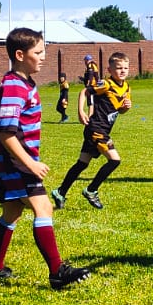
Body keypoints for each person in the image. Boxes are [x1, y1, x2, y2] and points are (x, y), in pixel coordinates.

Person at [0, 27, 93, 289]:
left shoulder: (24, 83)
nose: (44, 57)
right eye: (39, 52)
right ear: (20, 55)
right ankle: (57, 271)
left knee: (11, 213)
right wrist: (29, 163)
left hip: (13, 162)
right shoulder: (13, 86)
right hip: (14, 163)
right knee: (43, 207)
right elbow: (6, 133)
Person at [52, 52, 132, 210]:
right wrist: (81, 111)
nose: (123, 71)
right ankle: (91, 190)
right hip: (96, 128)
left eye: (125, 68)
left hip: (101, 129)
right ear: (109, 70)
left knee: (82, 163)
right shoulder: (106, 84)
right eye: (118, 68)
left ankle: (60, 192)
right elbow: (84, 92)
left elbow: (120, 111)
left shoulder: (127, 87)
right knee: (114, 160)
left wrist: (125, 108)